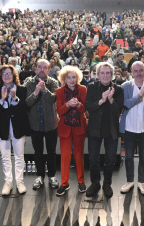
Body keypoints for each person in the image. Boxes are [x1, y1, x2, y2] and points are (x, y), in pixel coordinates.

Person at [0, 65, 31, 196]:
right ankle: (8, 182)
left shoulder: (22, 89)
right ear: (0, 76)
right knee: (5, 157)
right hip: (2, 127)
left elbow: (24, 109)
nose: (6, 76)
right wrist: (2, 99)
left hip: (18, 126)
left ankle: (20, 181)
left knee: (19, 156)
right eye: (4, 74)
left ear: (14, 75)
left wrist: (14, 99)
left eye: (9, 73)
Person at [85, 62, 124, 198]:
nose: (105, 75)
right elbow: (89, 107)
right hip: (95, 129)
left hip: (111, 130)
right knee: (93, 159)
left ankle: (107, 183)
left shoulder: (118, 89)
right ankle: (95, 183)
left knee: (110, 160)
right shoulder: (91, 87)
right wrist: (102, 101)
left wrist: (111, 99)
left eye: (108, 73)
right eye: (102, 72)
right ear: (97, 74)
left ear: (112, 75)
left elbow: (119, 110)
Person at [119, 61, 144, 196]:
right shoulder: (125, 86)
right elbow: (125, 104)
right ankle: (130, 181)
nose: (138, 73)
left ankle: (141, 182)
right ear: (131, 72)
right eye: (135, 71)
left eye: (141, 70)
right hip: (129, 127)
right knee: (128, 156)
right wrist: (139, 95)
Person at [24, 59, 60, 190]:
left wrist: (44, 90)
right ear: (35, 68)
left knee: (51, 151)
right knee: (38, 151)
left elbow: (53, 99)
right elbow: (26, 103)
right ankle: (39, 176)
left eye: (45, 68)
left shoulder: (54, 82)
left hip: (51, 123)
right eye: (40, 67)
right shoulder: (28, 83)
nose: (42, 70)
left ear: (49, 70)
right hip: (35, 124)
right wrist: (35, 93)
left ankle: (51, 176)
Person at [55, 66, 88, 196]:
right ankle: (64, 183)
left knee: (79, 155)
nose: (71, 79)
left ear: (78, 78)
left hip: (79, 126)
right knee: (65, 156)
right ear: (64, 79)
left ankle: (81, 181)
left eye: (74, 77)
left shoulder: (84, 89)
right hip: (65, 127)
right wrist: (68, 104)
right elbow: (59, 111)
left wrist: (79, 105)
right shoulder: (59, 91)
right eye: (68, 77)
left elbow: (84, 109)